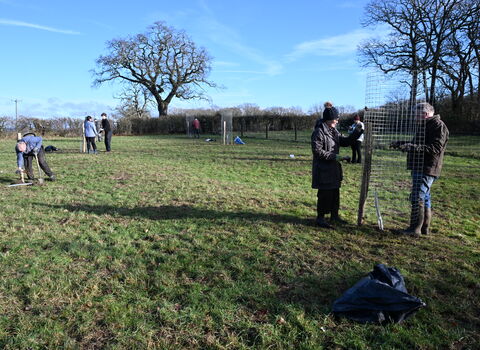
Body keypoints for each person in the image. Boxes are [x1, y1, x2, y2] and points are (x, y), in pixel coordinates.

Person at [390, 102, 449, 236]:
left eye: (416, 115)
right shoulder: (426, 125)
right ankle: (424, 228)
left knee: (417, 197)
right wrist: (401, 144)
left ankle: (414, 229)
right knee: (425, 197)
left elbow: (435, 148)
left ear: (425, 114)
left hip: (427, 168)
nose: (414, 117)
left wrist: (411, 147)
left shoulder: (438, 126)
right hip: (420, 166)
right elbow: (419, 145)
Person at [311, 106, 363, 228]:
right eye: (336, 118)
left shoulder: (334, 131)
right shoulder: (318, 132)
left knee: (335, 193)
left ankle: (335, 216)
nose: (337, 120)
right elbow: (318, 152)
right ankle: (320, 219)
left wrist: (358, 132)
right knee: (325, 194)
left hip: (333, 169)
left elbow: (345, 141)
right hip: (323, 169)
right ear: (329, 119)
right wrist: (337, 157)